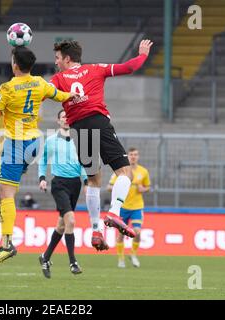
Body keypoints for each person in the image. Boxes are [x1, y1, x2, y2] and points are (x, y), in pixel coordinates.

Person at [0, 46, 77, 266]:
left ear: (14, 64)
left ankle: (7, 244)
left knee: (7, 193)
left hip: (17, 143)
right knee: (6, 188)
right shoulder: (40, 82)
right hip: (35, 142)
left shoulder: (6, 88)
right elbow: (59, 95)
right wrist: (73, 94)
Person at [49, 39, 153, 250]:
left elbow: (44, 92)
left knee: (93, 180)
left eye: (58, 58)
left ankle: (96, 231)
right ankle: (114, 212)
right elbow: (129, 67)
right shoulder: (96, 69)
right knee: (125, 173)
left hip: (77, 128)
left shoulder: (58, 78)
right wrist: (142, 54)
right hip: (98, 121)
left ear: (67, 59)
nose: (56, 62)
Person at [38, 109, 88, 278]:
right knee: (71, 221)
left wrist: (86, 181)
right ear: (58, 121)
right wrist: (42, 178)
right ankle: (73, 262)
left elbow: (83, 163)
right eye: (63, 117)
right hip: (59, 184)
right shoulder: (51, 140)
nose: (66, 119)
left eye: (68, 117)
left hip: (76, 184)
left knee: (61, 225)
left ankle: (45, 257)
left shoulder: (78, 141)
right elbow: (43, 159)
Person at [107, 148, 150, 268]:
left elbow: (147, 187)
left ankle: (133, 254)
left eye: (135, 154)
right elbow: (109, 187)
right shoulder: (121, 170)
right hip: (123, 207)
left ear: (138, 156)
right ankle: (121, 259)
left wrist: (143, 189)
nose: (133, 157)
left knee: (137, 232)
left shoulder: (143, 172)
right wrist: (117, 186)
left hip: (137, 207)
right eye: (131, 154)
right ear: (128, 156)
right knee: (121, 234)